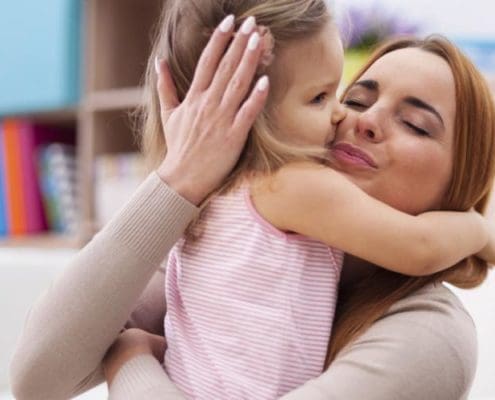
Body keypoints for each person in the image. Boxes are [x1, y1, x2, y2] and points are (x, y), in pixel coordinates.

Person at [9, 5, 495, 400]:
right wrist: (177, 179)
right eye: (352, 98)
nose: (357, 119)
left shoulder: (430, 334)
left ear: (463, 180)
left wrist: (130, 360)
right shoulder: (232, 249)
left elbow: (419, 247)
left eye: (415, 124)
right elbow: (38, 379)